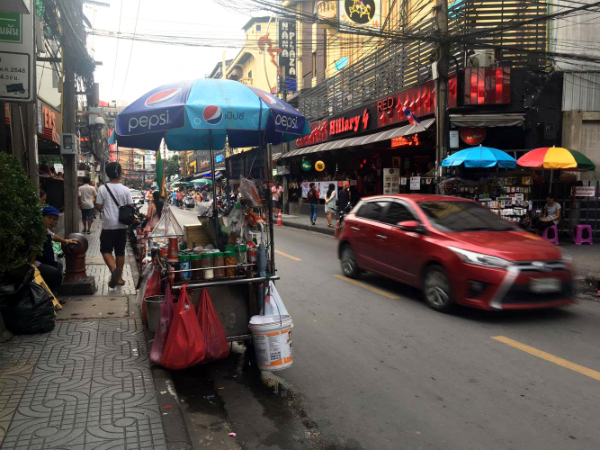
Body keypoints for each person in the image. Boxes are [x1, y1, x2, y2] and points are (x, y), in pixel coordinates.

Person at [95, 162, 133, 289]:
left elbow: (99, 206)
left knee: (105, 250)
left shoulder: (102, 188)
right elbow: (131, 207)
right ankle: (120, 278)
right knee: (120, 251)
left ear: (107, 174)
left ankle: (113, 270)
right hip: (122, 225)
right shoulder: (125, 189)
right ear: (120, 173)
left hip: (108, 225)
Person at [35, 206, 77, 293]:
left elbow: (52, 236)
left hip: (46, 260)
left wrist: (65, 241)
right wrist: (32, 265)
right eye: (49, 218)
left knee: (58, 266)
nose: (51, 221)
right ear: (42, 217)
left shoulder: (45, 230)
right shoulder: (36, 231)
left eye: (54, 219)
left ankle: (52, 294)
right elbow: (33, 250)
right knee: (54, 273)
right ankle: (48, 295)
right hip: (35, 262)